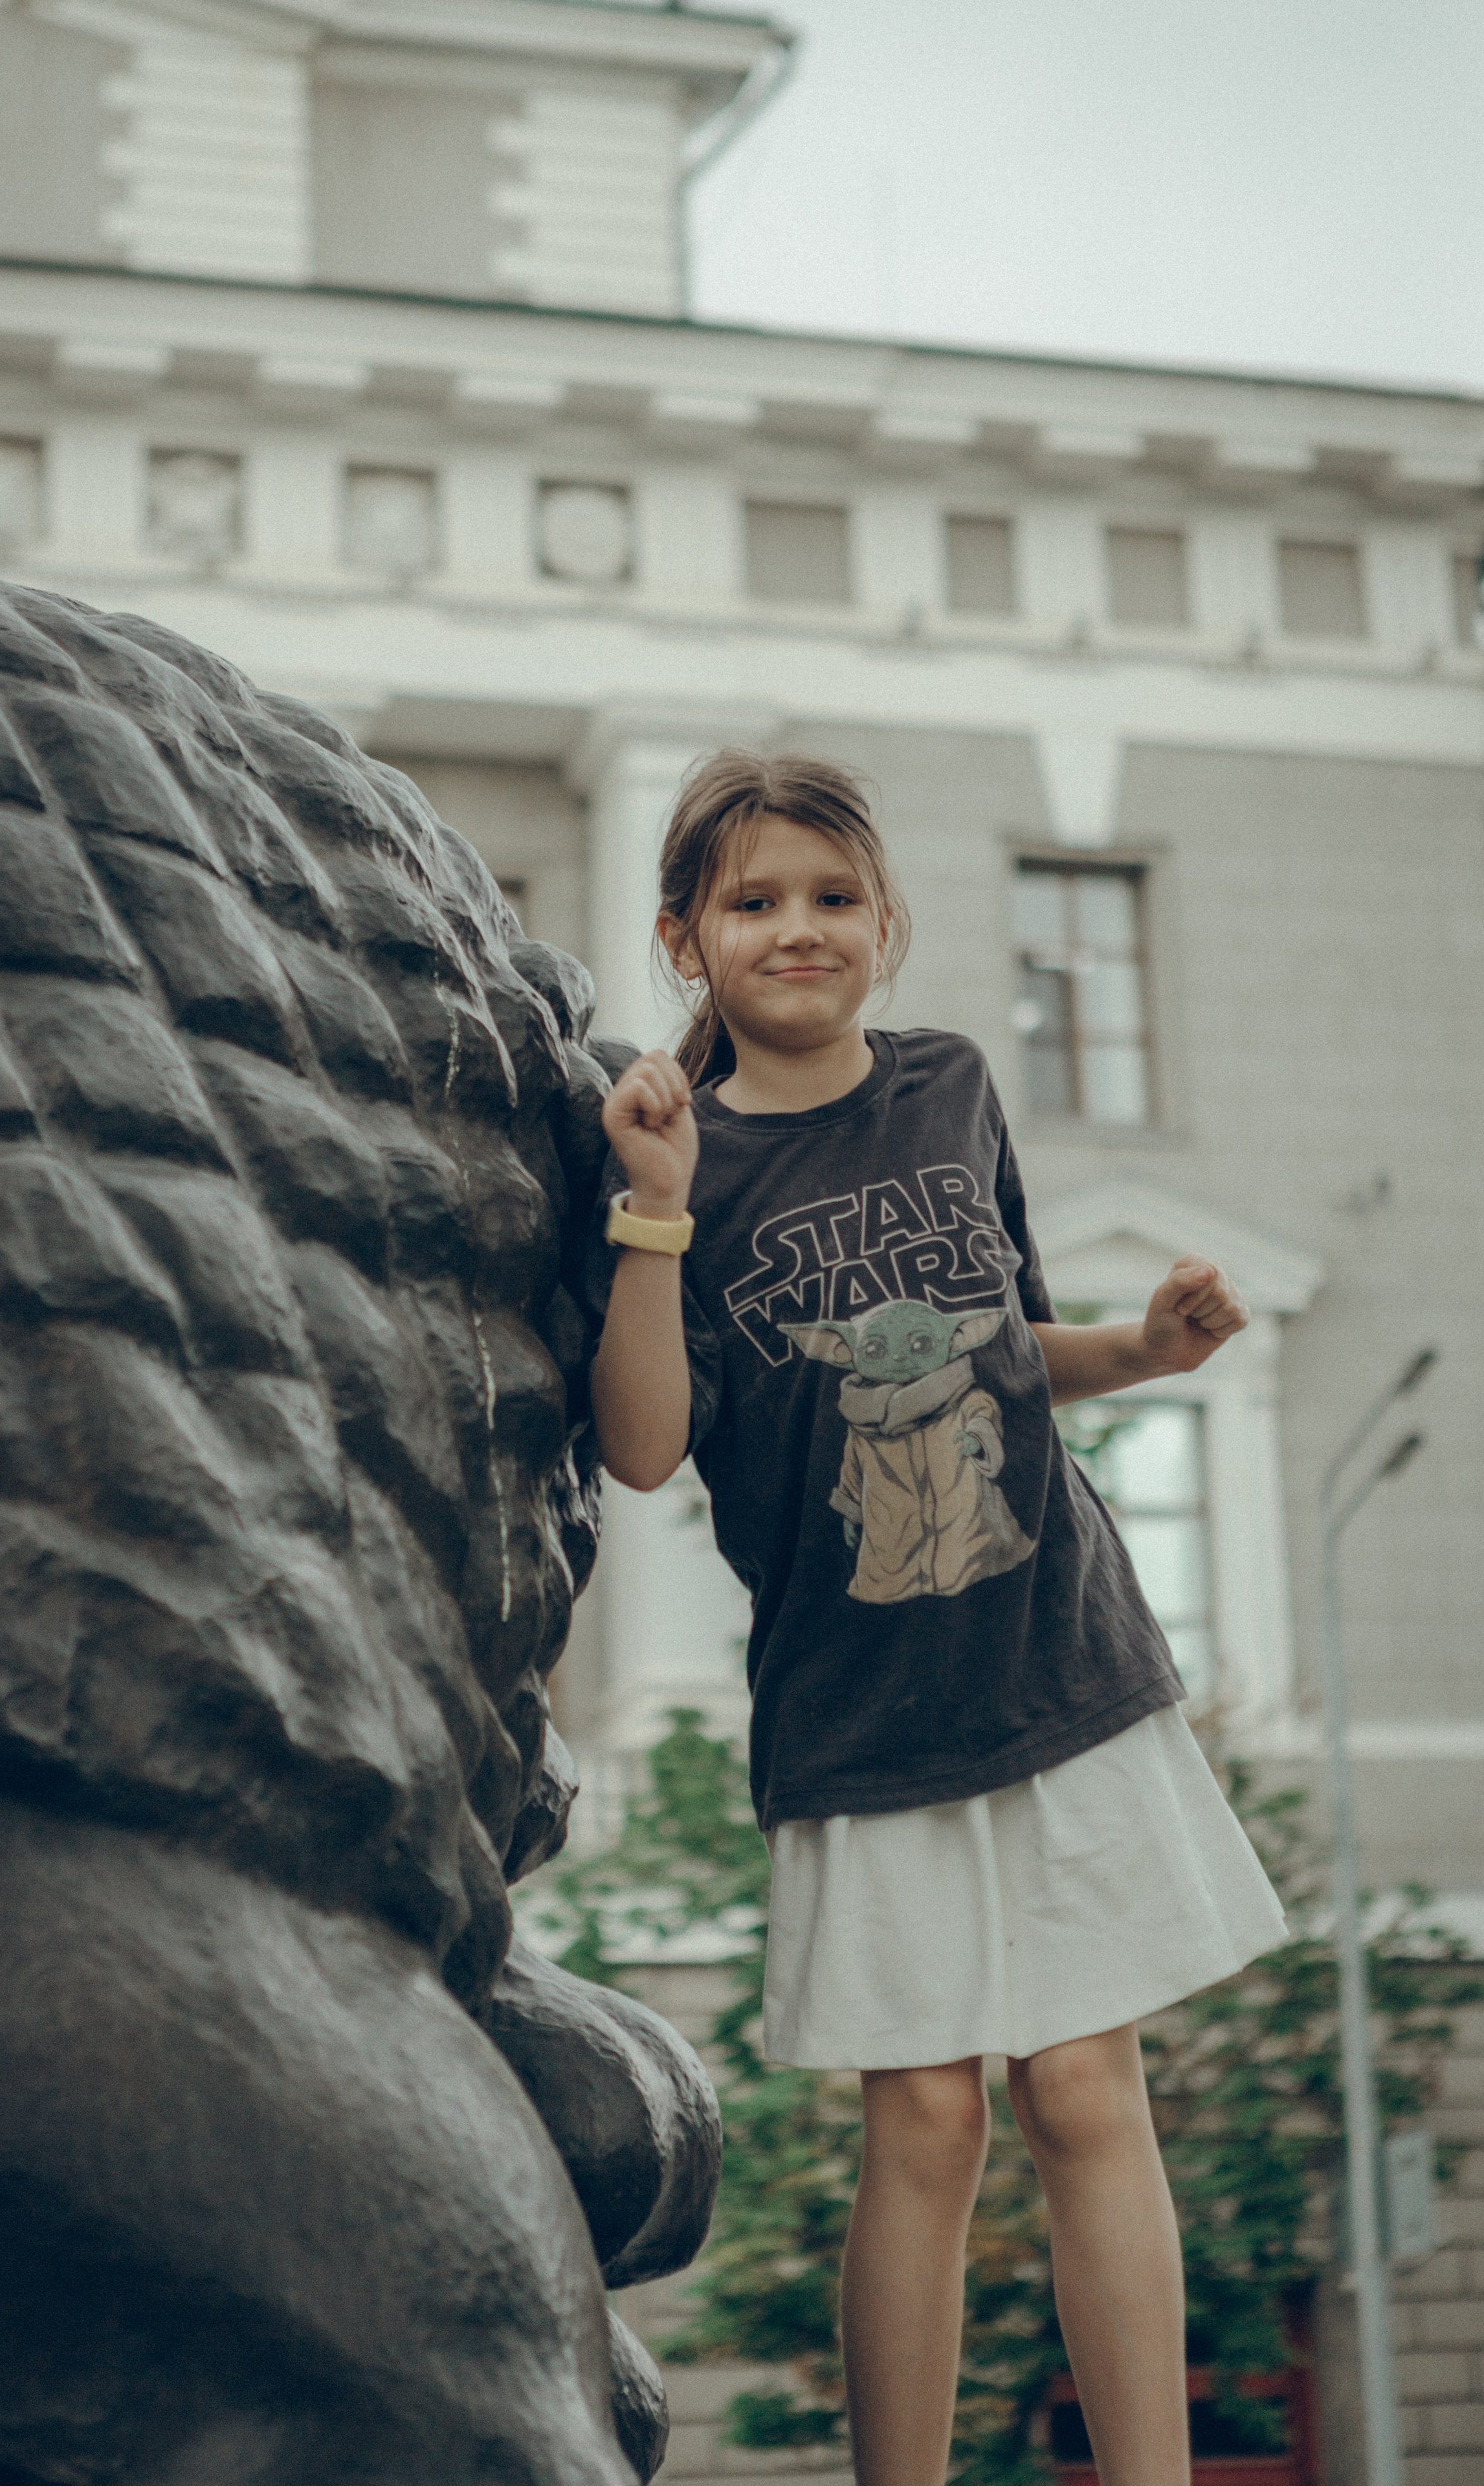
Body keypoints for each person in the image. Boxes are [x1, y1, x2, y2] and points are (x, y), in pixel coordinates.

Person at [587, 752, 1287, 2486]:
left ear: (883, 922)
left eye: (833, 897)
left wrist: (1147, 1351)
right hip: (859, 1706)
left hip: (1058, 1657)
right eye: (754, 901)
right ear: (687, 936)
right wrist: (656, 1214)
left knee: (1084, 2089)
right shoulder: (678, 1150)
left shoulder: (955, 1085)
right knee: (925, 2118)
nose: (797, 930)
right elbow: (646, 1443)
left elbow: (1007, 1337)